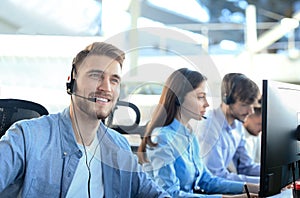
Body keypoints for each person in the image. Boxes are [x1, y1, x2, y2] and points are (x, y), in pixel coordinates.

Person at [0, 42, 169, 197]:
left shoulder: (119, 147)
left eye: (114, 80)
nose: (106, 88)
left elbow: (152, 193)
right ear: (72, 81)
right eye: (96, 76)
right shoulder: (27, 137)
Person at [138, 68, 259, 198]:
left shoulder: (189, 134)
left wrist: (251, 188)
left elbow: (206, 180)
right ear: (178, 98)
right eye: (201, 97)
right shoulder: (162, 138)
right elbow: (170, 195)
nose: (207, 104)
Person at [198, 73, 260, 184]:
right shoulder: (209, 127)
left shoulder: (238, 127)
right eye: (245, 105)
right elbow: (216, 176)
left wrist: (274, 174)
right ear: (226, 99)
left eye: (252, 106)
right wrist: (262, 183)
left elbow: (246, 167)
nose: (251, 112)